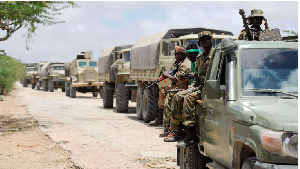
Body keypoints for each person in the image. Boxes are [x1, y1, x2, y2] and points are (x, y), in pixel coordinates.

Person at [164, 31, 214, 142]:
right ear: (199, 43)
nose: (205, 41)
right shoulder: (200, 58)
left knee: (189, 98)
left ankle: (190, 130)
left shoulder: (215, 56)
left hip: (210, 87)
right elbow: (196, 78)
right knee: (177, 96)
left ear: (211, 41)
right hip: (198, 86)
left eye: (207, 39)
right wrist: (191, 87)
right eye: (202, 40)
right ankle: (177, 129)